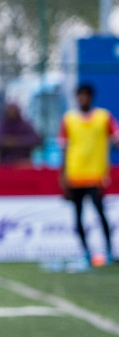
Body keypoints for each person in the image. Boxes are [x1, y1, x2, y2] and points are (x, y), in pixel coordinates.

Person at [59, 84, 116, 269]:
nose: (83, 99)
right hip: (75, 174)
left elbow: (115, 138)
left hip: (96, 175)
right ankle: (85, 253)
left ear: (91, 97)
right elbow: (64, 148)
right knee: (78, 216)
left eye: (86, 95)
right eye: (80, 95)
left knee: (100, 213)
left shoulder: (103, 117)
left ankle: (109, 251)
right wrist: (63, 175)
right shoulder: (69, 119)